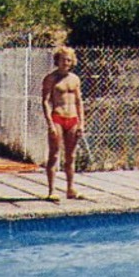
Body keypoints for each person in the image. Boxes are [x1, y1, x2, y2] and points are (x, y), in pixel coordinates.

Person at [41, 46, 84, 201]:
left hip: (72, 119)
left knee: (71, 156)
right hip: (58, 117)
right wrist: (50, 124)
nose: (66, 62)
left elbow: (79, 102)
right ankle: (52, 190)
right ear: (57, 60)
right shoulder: (50, 79)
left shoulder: (75, 79)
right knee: (54, 155)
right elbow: (45, 102)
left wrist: (81, 123)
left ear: (72, 61)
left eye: (69, 60)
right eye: (63, 59)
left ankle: (70, 189)